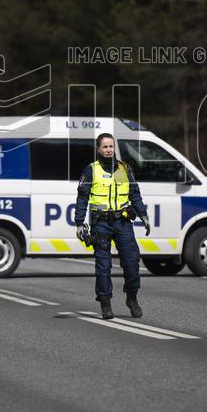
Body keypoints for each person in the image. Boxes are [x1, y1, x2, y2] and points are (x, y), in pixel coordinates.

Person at [74, 133, 151, 320]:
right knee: (103, 266)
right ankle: (105, 303)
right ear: (98, 149)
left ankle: (131, 298)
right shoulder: (91, 170)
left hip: (123, 222)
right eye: (105, 147)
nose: (109, 150)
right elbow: (82, 198)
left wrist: (143, 215)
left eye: (111, 146)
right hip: (100, 224)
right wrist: (79, 223)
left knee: (132, 262)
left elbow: (135, 193)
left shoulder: (125, 169)